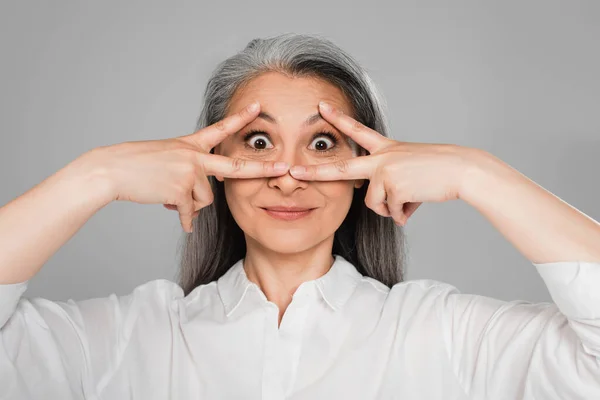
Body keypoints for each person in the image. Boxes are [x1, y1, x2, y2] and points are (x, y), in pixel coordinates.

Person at [0, 33, 598, 400]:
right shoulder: (129, 340)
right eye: (258, 142)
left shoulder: (442, 334)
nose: (287, 174)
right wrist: (94, 175)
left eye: (321, 144)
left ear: (367, 165)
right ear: (210, 164)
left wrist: (479, 173)